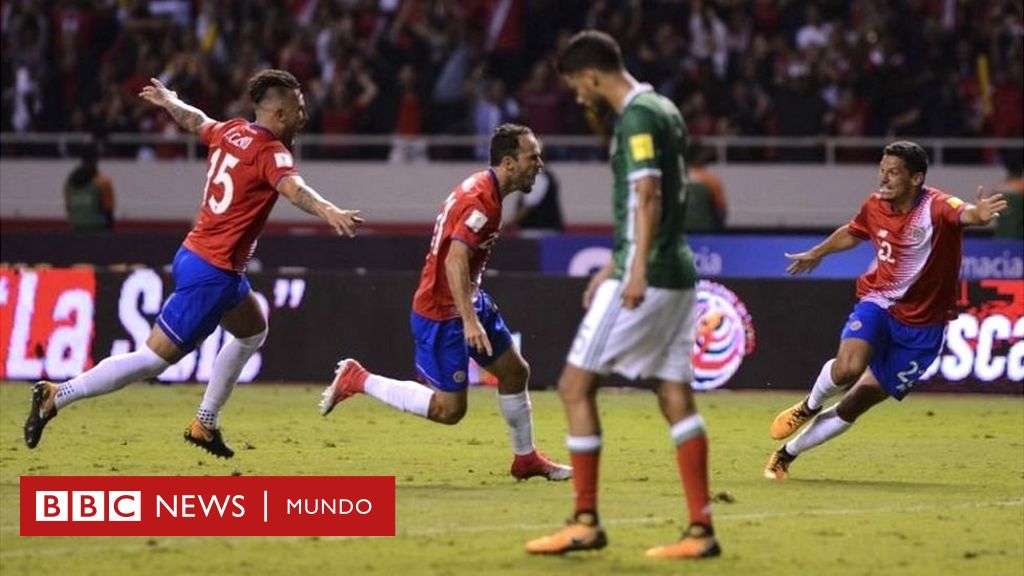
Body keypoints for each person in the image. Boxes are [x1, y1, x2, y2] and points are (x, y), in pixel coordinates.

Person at [24, 70, 364, 458]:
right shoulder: (273, 152)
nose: (305, 116)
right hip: (213, 273)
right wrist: (327, 209)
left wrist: (170, 102)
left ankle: (205, 422)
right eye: (299, 109)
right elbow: (293, 189)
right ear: (281, 115)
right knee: (151, 360)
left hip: (204, 259)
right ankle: (57, 395)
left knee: (253, 331)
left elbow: (197, 121)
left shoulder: (234, 130)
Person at [525, 30, 720, 560]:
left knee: (573, 386)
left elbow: (648, 193)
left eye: (575, 86)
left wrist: (631, 271)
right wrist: (614, 262)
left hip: (650, 273)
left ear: (591, 74)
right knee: (674, 393)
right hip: (676, 269)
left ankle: (584, 521)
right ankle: (700, 529)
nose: (578, 97)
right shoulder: (665, 108)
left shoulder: (635, 117)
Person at [319, 123, 572, 482]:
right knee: (449, 410)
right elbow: (454, 260)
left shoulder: (487, 190)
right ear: (508, 162)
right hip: (443, 311)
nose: (540, 164)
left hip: (467, 298)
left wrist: (472, 307)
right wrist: (469, 320)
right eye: (533, 157)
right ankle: (358, 379)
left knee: (515, 372)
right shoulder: (481, 201)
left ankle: (526, 459)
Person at [765, 141, 1008, 480]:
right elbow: (853, 232)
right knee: (849, 368)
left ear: (916, 178)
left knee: (854, 404)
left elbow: (963, 212)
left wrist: (978, 215)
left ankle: (786, 455)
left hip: (923, 329)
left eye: (893, 172)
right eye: (882, 170)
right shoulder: (875, 205)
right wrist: (818, 252)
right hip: (880, 302)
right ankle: (807, 406)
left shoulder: (936, 207)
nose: (884, 178)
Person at [64, 143, 115, 231]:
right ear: (96, 159)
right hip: (98, 230)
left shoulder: (69, 183)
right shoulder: (103, 182)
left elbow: (69, 208)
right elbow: (108, 211)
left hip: (75, 229)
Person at [506, 166, 565, 234]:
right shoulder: (547, 176)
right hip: (547, 229)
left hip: (536, 231)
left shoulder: (536, 178)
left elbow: (529, 206)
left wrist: (509, 224)